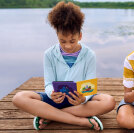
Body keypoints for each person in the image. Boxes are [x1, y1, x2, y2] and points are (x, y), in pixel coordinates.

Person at [12, 1, 115, 131]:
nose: (67, 46)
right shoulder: (49, 54)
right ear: (57, 36)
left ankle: (49, 115)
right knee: (19, 98)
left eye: (72, 41)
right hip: (55, 100)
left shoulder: (89, 55)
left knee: (109, 101)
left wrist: (83, 98)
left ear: (80, 36)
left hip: (79, 101)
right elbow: (48, 84)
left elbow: (90, 86)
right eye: (62, 41)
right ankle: (82, 121)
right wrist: (51, 93)